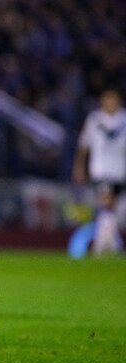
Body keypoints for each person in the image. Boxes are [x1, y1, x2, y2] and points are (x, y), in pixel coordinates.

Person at [72, 89, 126, 255]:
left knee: (111, 207)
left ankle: (107, 244)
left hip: (120, 170)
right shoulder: (94, 119)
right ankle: (103, 244)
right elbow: (84, 144)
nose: (110, 102)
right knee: (106, 202)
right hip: (100, 169)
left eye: (113, 99)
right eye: (106, 99)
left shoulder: (124, 119)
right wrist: (79, 166)